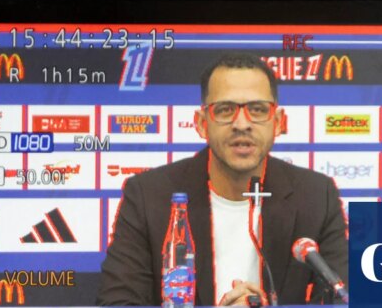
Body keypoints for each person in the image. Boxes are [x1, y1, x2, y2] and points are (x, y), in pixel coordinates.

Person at [97, 53, 348, 306]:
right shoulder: (148, 196)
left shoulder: (317, 196)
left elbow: (345, 299)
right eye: (225, 110)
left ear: (278, 122)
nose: (242, 124)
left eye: (257, 109)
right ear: (201, 123)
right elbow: (117, 303)